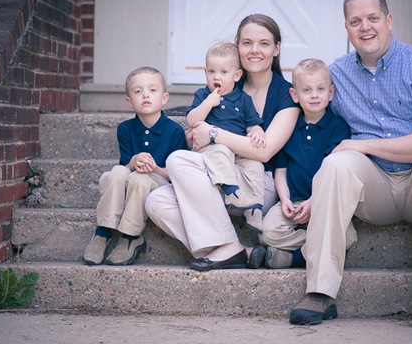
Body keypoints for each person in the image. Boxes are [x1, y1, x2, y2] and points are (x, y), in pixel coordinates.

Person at [289, 0, 412, 329]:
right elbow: (299, 103)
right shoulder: (335, 76)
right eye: (355, 21)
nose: (365, 27)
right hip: (375, 189)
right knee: (336, 163)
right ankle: (320, 292)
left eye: (373, 18)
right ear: (346, 28)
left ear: (389, 21)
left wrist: (365, 145)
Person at [145, 14, 300, 271]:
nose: (254, 50)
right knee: (156, 202)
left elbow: (265, 151)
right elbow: (197, 127)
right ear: (237, 46)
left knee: (177, 160)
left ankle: (225, 247)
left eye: (263, 43)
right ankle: (237, 249)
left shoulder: (286, 94)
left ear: (277, 48)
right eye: (247, 42)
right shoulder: (220, 85)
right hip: (214, 178)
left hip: (255, 182)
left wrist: (213, 132)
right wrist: (193, 134)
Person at [83, 66, 187, 266]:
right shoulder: (125, 129)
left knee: (140, 178)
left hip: (158, 184)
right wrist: (134, 161)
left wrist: (153, 168)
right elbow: (124, 169)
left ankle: (130, 236)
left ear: (164, 98)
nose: (145, 95)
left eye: (152, 90)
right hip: (130, 180)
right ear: (129, 102)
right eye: (138, 91)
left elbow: (173, 175)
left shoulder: (174, 131)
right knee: (116, 173)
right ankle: (103, 232)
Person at [259, 58, 355, 268]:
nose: (314, 95)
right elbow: (281, 171)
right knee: (268, 233)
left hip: (324, 202)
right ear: (294, 95)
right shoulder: (289, 126)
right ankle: (320, 244)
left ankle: (293, 258)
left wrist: (313, 201)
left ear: (331, 93)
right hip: (293, 202)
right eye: (307, 90)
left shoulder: (338, 127)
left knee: (347, 237)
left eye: (320, 89)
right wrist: (284, 199)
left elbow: (333, 173)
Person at [187, 41, 266, 233]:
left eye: (223, 72)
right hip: (211, 148)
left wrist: (257, 132)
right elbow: (192, 120)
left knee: (256, 166)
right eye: (212, 71)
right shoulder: (202, 94)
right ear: (205, 72)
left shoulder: (243, 99)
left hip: (238, 151)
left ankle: (254, 209)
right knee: (220, 151)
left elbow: (252, 123)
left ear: (237, 75)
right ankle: (231, 191)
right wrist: (207, 103)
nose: (216, 77)